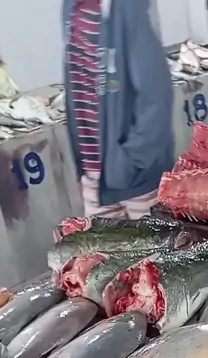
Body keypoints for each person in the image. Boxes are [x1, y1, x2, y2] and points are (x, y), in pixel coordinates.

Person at [63, 0, 174, 220]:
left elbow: (156, 92)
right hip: (95, 180)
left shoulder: (128, 7)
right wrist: (82, 169)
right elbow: (77, 89)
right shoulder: (71, 7)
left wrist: (133, 162)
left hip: (137, 180)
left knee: (158, 243)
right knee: (103, 244)